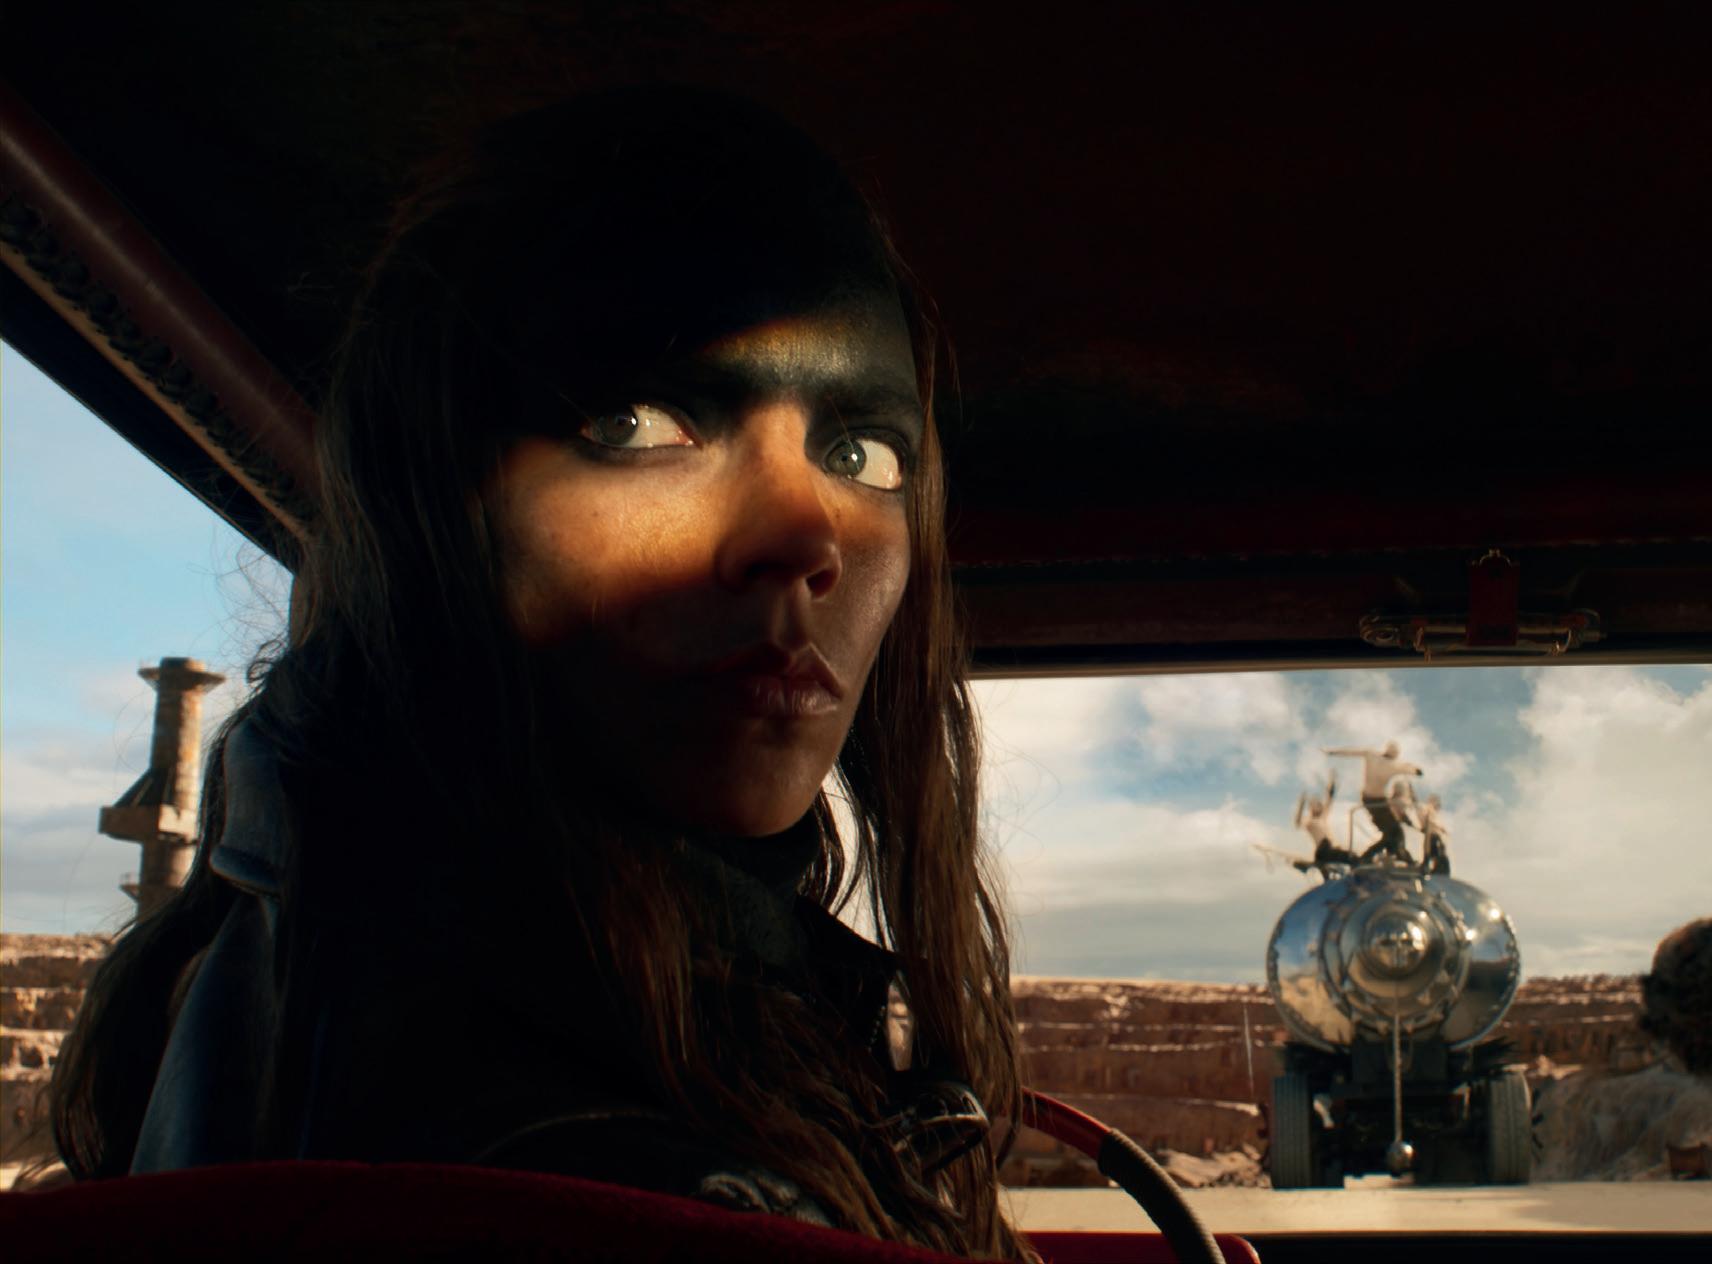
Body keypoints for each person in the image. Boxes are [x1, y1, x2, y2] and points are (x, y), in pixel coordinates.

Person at [51, 87, 1030, 1259]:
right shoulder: (589, 1167)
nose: (806, 534)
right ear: (433, 507)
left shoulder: (287, 942)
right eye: (639, 423)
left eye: (860, 452)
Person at [1325, 740, 1422, 864]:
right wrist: (1416, 771)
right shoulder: (1393, 765)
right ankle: (1368, 858)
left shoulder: (1371, 755)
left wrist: (1332, 752)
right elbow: (1410, 769)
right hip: (1378, 802)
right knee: (1395, 832)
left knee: (1392, 833)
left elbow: (1351, 752)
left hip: (1368, 799)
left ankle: (1398, 856)